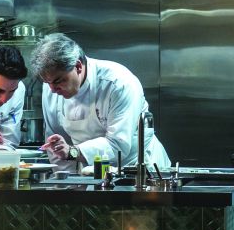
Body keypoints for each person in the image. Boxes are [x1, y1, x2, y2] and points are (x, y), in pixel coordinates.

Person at [30, 33, 170, 172]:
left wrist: (72, 152)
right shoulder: (51, 87)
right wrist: (66, 181)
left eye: (58, 81)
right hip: (90, 170)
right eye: (47, 82)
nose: (53, 90)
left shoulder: (118, 83)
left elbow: (118, 145)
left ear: (78, 66)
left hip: (135, 167)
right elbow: (55, 143)